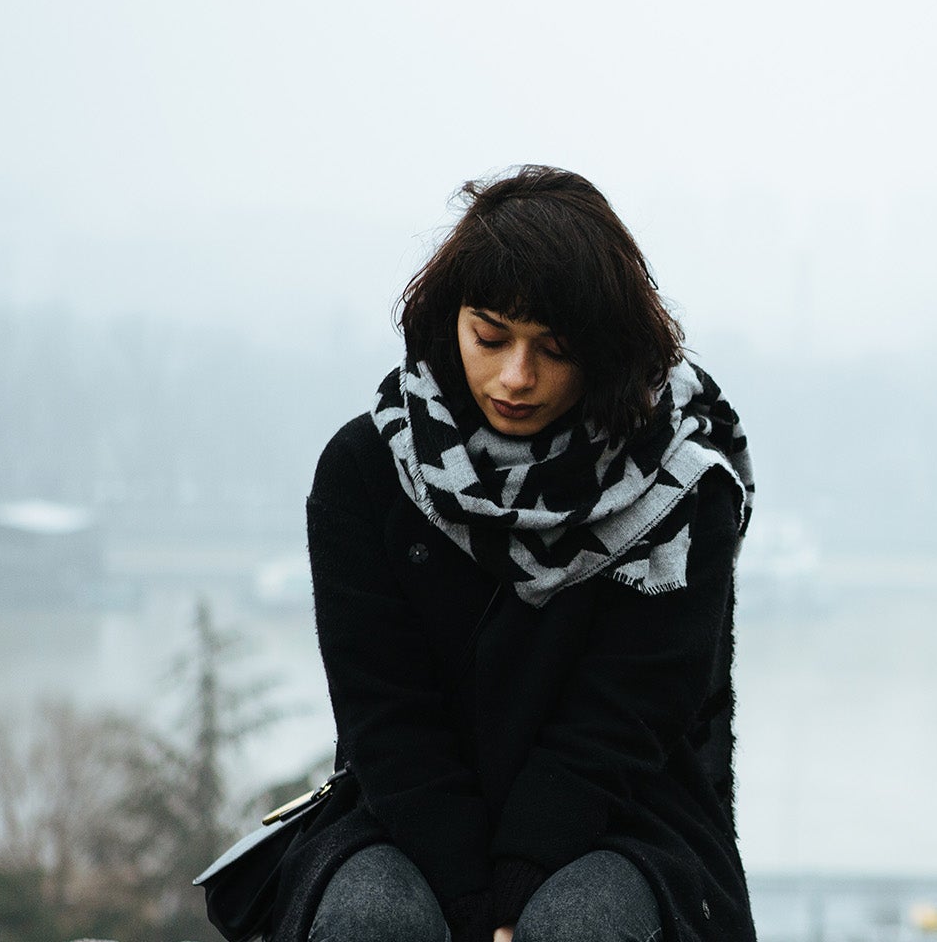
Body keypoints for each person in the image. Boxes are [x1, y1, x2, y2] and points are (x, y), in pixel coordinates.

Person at [267, 165, 756, 942]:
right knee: (370, 919)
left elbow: (627, 719)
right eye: (490, 338)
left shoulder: (684, 488)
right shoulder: (368, 470)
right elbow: (386, 716)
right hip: (408, 810)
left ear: (607, 350)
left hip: (627, 817)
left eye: (553, 349)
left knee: (580, 927)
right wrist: (472, 901)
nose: (516, 378)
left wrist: (520, 883)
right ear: (446, 319)